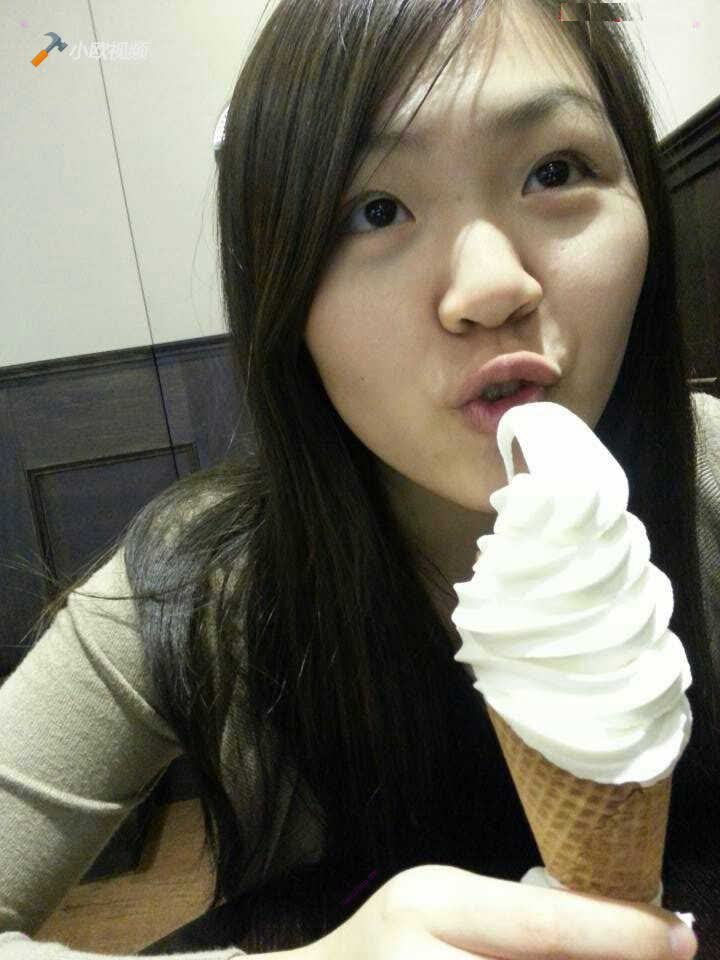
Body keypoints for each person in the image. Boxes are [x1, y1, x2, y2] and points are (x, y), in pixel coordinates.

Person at [1, 0, 717, 957]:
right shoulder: (192, 587)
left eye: (555, 171)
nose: (490, 287)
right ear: (282, 298)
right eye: (376, 210)